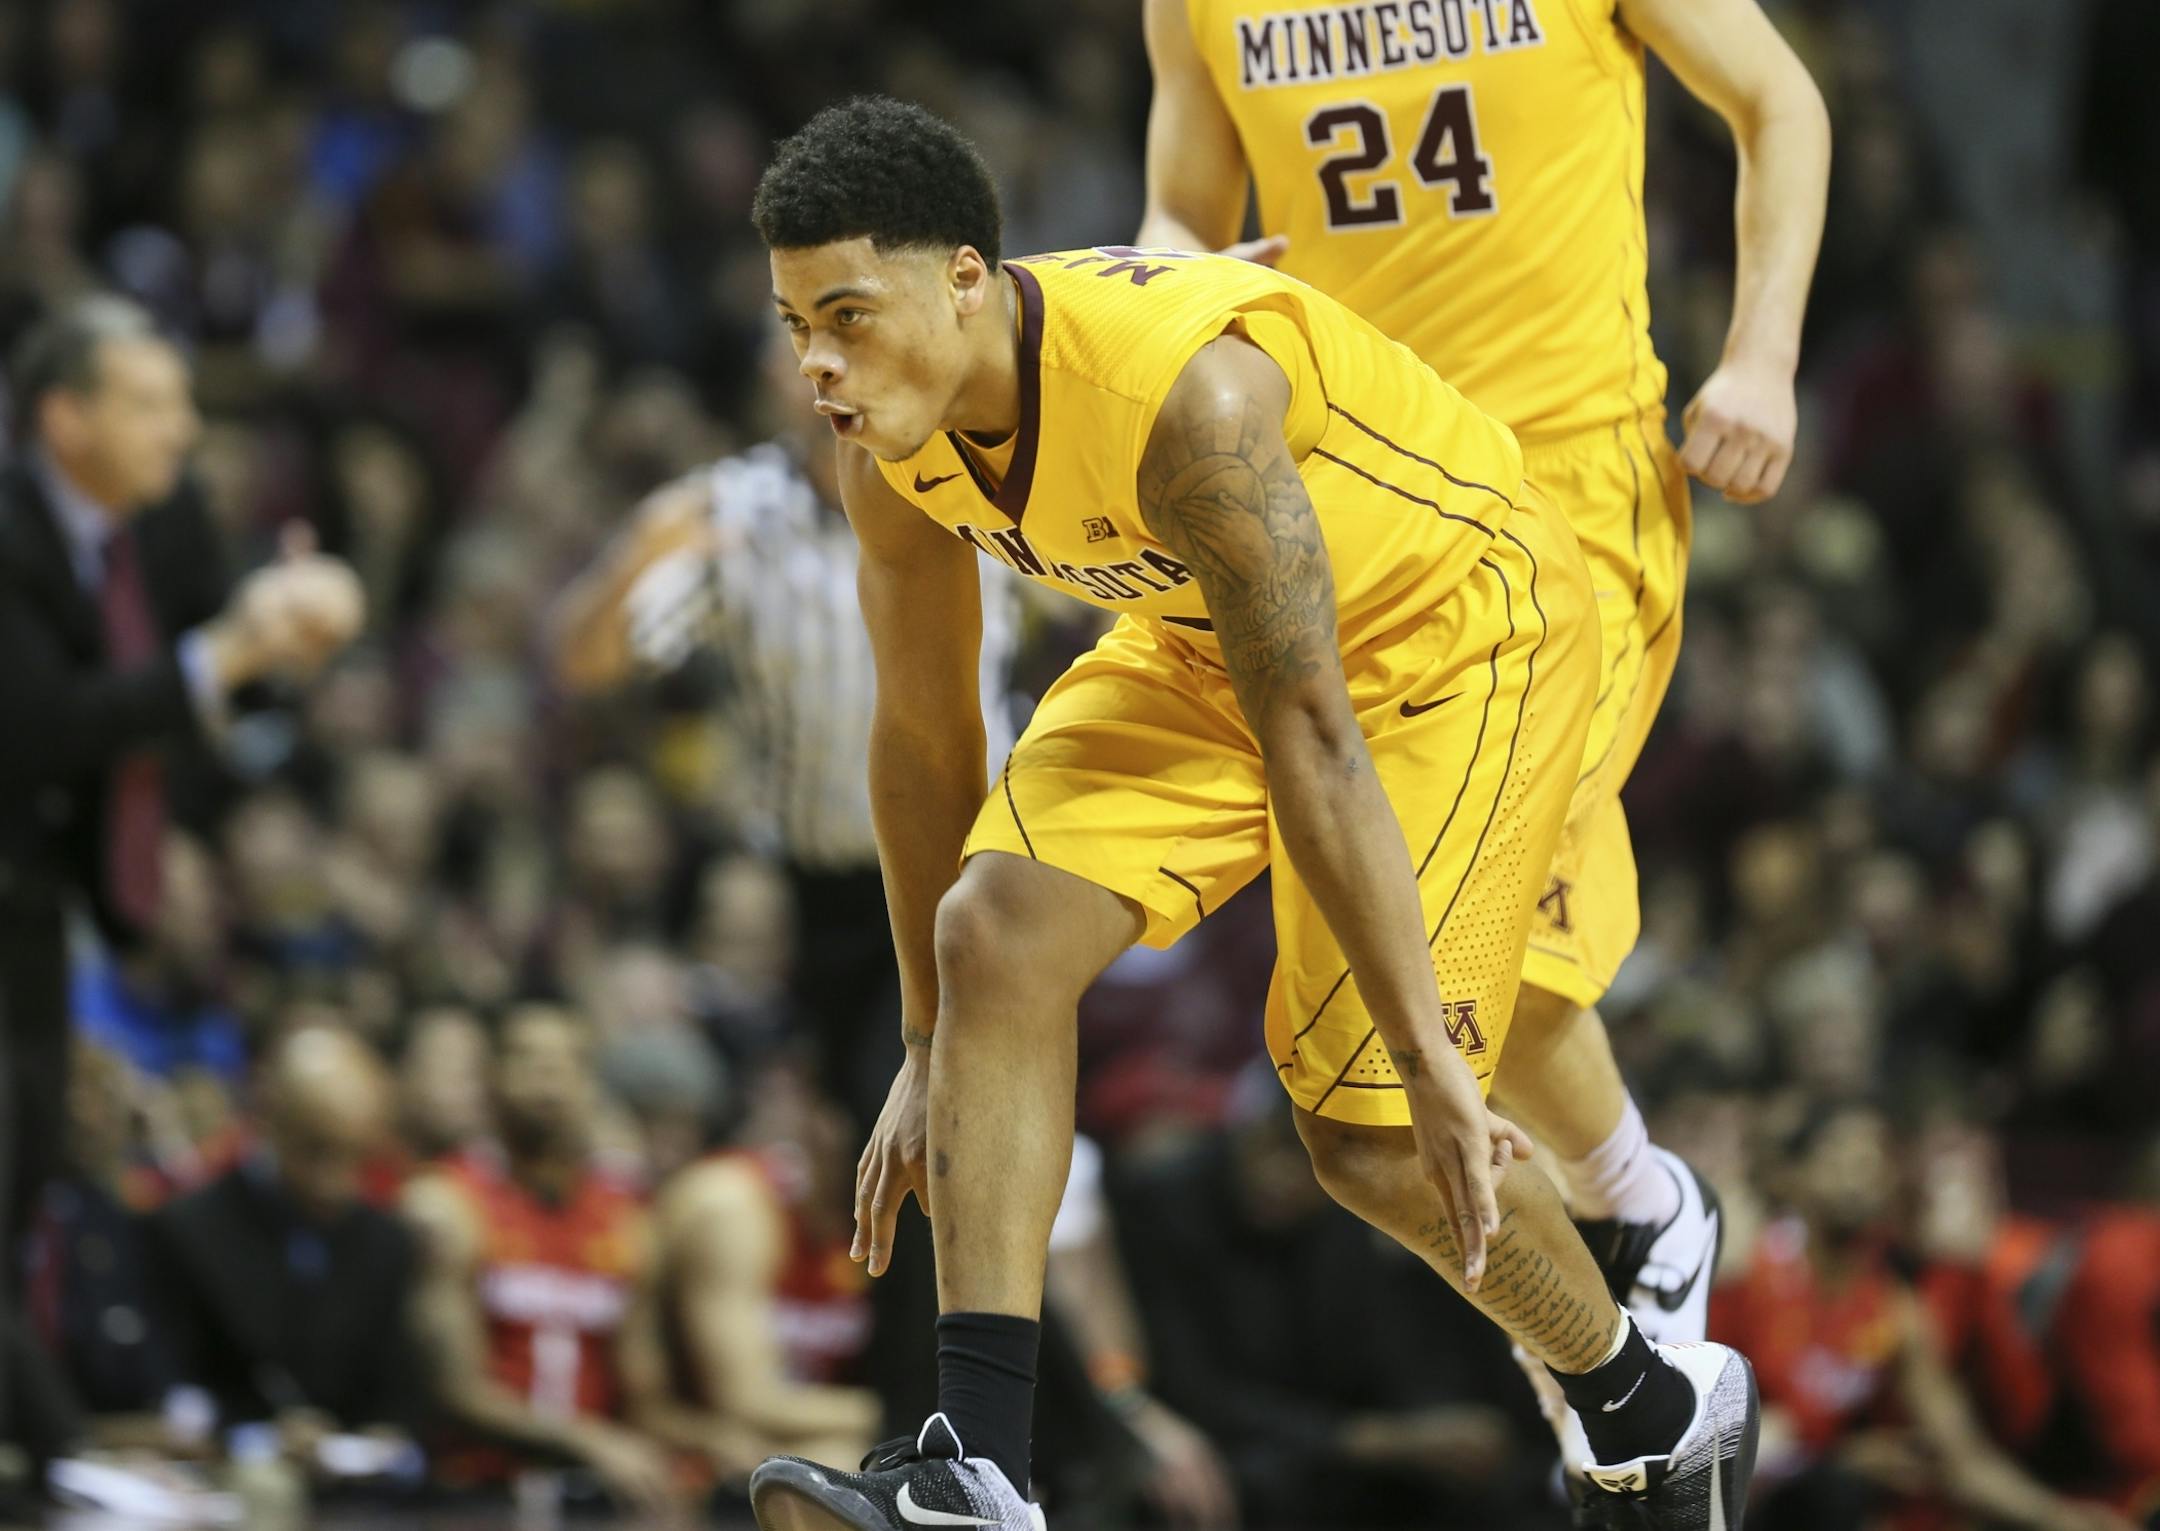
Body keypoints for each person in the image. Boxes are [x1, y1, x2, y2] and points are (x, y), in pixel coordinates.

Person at [742, 97, 1756, 1531]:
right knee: (997, 931)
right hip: (1209, 637)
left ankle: (1652, 1404)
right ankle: (978, 1469)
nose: (817, 365)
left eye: (845, 313)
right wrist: (925, 1030)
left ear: (965, 274)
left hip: (1455, 640)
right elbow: (918, 734)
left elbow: (1317, 733)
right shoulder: (887, 447)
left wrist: (1426, 1052)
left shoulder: (1188, 408)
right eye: (794, 326)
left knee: (1367, 1136)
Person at [1134, 0, 1830, 1454]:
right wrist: (1183, 275)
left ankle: (1628, 1224)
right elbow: (1176, 220)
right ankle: (1634, 1198)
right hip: (1347, 507)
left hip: (1566, 489)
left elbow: (1781, 102)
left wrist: (1762, 357)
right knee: (1437, 931)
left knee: (1443, 914)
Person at [0, 294, 362, 1485]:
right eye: (152, 404)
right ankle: (58, 1454)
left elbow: (220, 675)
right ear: (65, 419)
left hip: (44, 895)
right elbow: (42, 727)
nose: (183, 430)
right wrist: (237, 651)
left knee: (24, 1180)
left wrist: (292, 638)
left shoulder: (162, 520)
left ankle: (56, 1454)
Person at [1709, 1101, 2134, 1531]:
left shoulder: (1895, 1309)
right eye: (1842, 1159)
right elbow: (1685, 1424)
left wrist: (2060, 1517)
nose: (1860, 1178)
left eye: (1873, 1163)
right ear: (1794, 1176)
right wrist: (1827, 1457)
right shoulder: (1746, 1268)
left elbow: (1960, 1454)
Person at [400, 1004, 678, 1516]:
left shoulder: (630, 1219)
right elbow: (454, 1390)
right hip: (472, 1493)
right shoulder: (445, 1203)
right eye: (524, 1059)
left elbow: (647, 1397)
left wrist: (721, 1437)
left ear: (591, 1086)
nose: (545, 1079)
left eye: (565, 1064)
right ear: (490, 1079)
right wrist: (590, 1441)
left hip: (596, 1493)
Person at [149, 1026, 424, 1464]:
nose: (337, 1184)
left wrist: (386, 1439)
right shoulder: (188, 1229)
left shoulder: (387, 1242)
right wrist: (257, 1439)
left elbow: (400, 1396)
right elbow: (171, 1393)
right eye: (317, 1150)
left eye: (355, 1156)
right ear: (268, 1119)